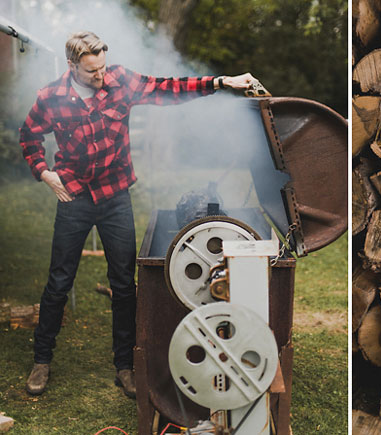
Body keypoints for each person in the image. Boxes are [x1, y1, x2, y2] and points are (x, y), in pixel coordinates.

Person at [18, 31, 258, 398]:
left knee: (123, 284)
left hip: (115, 199)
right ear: (72, 66)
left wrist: (222, 81)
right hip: (74, 200)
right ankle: (41, 360)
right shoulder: (51, 98)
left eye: (101, 67)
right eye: (91, 71)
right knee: (59, 282)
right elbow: (29, 136)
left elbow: (169, 88)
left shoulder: (120, 81)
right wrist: (46, 174)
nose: (100, 76)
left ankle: (124, 366)